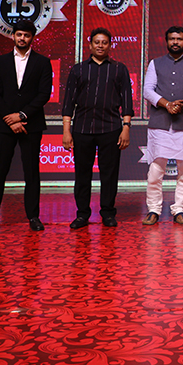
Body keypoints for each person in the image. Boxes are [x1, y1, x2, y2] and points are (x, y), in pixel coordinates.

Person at [0, 20, 53, 233]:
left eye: (26, 35)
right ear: (13, 36)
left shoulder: (43, 62)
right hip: (5, 125)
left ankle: (33, 217)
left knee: (31, 172)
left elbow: (44, 94)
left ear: (32, 37)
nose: (22, 38)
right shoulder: (0, 62)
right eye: (19, 34)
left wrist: (22, 115)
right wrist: (11, 119)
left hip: (31, 125)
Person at [61, 28, 133, 229]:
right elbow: (68, 103)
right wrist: (66, 130)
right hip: (82, 129)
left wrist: (126, 127)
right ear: (90, 45)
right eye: (97, 42)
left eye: (104, 42)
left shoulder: (119, 69)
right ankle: (82, 214)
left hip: (111, 129)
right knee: (82, 174)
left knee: (109, 174)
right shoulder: (78, 70)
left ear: (110, 45)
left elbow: (127, 101)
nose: (100, 46)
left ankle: (108, 213)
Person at [142, 26, 183, 226]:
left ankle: (179, 209)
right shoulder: (155, 63)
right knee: (155, 171)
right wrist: (166, 104)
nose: (175, 42)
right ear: (166, 41)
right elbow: (147, 90)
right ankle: (154, 209)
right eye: (172, 39)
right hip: (160, 123)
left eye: (179, 39)